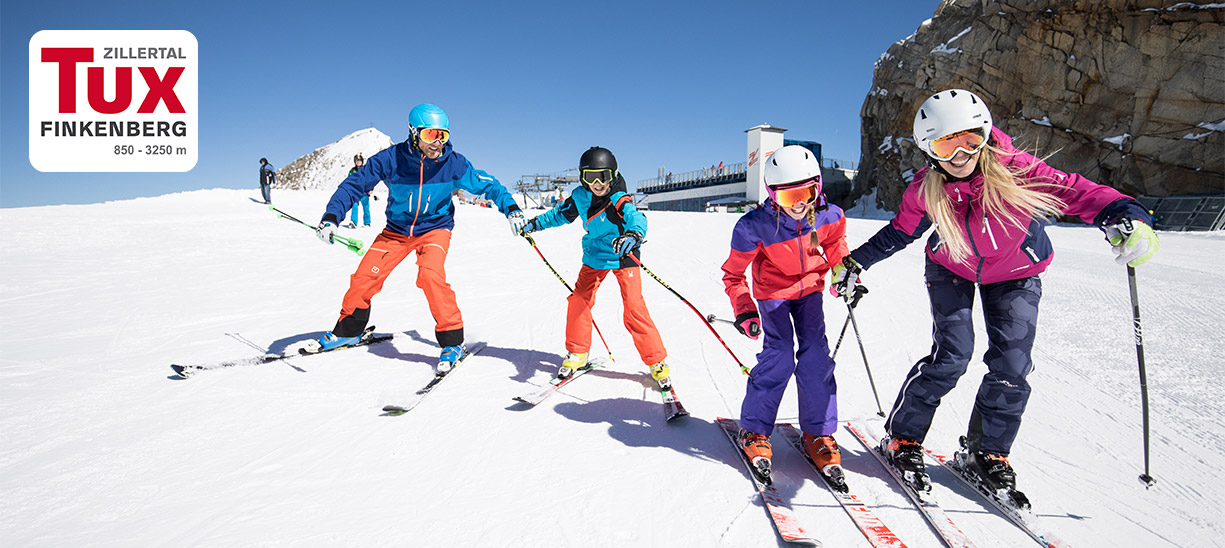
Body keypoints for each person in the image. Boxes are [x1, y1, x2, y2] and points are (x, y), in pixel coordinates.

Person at [831, 89, 1160, 503]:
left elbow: (1075, 191)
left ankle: (987, 453)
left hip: (1017, 272)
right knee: (952, 355)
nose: (961, 153)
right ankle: (903, 439)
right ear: (928, 150)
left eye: (970, 138)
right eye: (945, 143)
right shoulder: (925, 188)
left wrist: (1125, 214)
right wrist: (855, 262)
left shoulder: (1014, 168)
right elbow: (901, 231)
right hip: (951, 268)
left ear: (985, 133)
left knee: (1012, 365)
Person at [313, 103, 527, 371]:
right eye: (430, 135)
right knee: (365, 276)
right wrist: (332, 216)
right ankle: (349, 330)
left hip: (435, 229)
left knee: (430, 275)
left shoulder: (454, 164)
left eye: (443, 135)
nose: (437, 143)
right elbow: (355, 185)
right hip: (396, 231)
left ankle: (452, 341)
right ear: (414, 133)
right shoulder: (391, 159)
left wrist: (512, 208)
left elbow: (489, 185)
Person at [720, 145, 850, 482]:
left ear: (817, 187)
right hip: (773, 293)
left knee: (816, 357)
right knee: (779, 354)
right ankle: (754, 430)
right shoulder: (754, 227)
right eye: (788, 197)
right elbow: (733, 275)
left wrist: (843, 273)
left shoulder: (829, 216)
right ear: (772, 194)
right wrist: (745, 309)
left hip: (810, 290)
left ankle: (818, 432)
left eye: (807, 193)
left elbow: (836, 248)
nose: (800, 204)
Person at [519, 146, 672, 387]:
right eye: (591, 177)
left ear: (614, 175)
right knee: (579, 299)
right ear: (582, 177)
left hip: (623, 252)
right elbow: (559, 215)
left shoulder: (618, 198)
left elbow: (636, 217)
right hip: (595, 255)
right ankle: (578, 352)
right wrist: (535, 224)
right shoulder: (580, 197)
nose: (598, 183)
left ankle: (656, 361)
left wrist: (633, 235)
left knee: (634, 306)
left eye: (604, 176)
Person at [347, 154, 373, 227]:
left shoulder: (365, 170)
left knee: (366, 208)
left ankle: (367, 223)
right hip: (356, 192)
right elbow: (349, 181)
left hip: (365, 192)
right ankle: (353, 222)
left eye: (359, 160)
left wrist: (371, 189)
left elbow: (371, 180)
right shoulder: (352, 171)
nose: (358, 162)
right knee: (354, 206)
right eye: (356, 160)